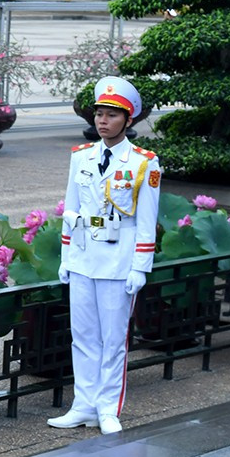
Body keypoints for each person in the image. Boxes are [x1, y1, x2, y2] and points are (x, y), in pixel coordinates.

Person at [48, 75, 160, 437]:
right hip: (83, 256)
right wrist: (65, 256)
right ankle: (83, 404)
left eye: (112, 115)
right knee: (82, 335)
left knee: (113, 340)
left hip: (118, 259)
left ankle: (107, 408)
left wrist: (140, 266)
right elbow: (71, 208)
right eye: (99, 113)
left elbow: (146, 221)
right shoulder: (81, 157)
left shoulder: (144, 162)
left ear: (128, 121)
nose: (102, 121)